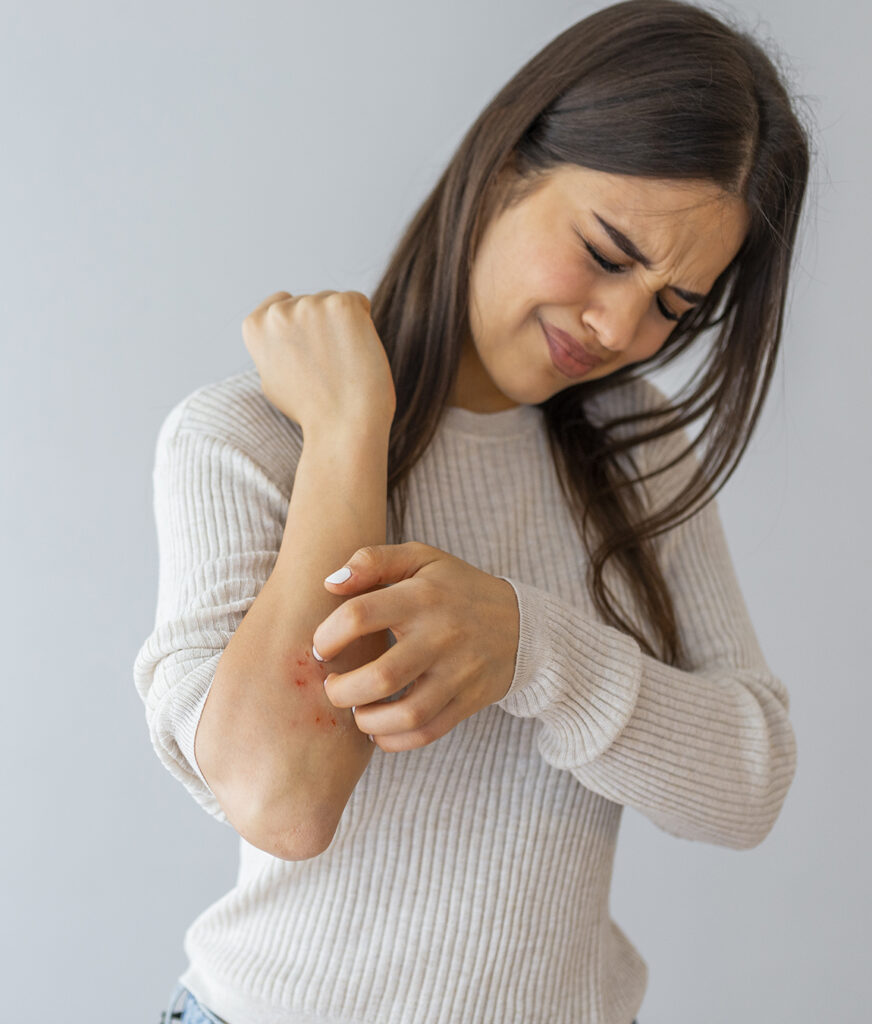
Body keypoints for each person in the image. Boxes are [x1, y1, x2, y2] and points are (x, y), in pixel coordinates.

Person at [135, 1, 811, 1021]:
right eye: (608, 252)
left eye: (675, 307)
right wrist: (351, 431)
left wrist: (532, 647)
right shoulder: (249, 437)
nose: (621, 326)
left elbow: (747, 780)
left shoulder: (635, 450)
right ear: (502, 167)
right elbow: (283, 798)